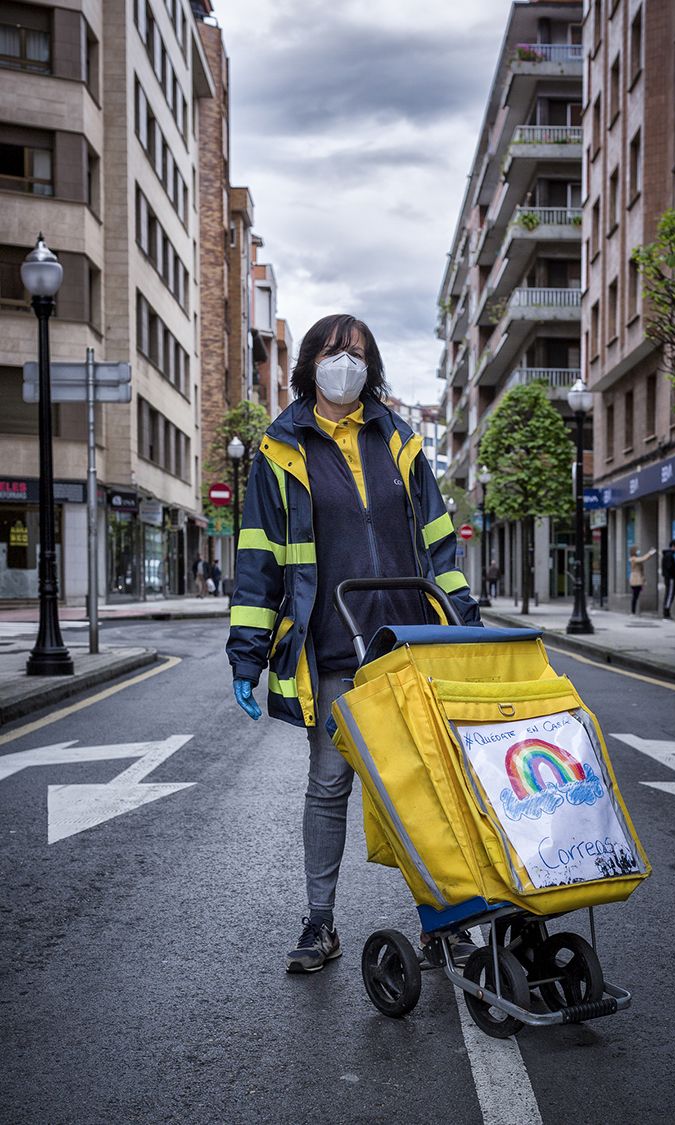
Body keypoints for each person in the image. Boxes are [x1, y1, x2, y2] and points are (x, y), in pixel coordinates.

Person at [226, 313, 483, 974]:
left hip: (406, 643)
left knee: (420, 785)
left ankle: (443, 921)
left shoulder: (400, 441)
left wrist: (464, 619)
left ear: (372, 368)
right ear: (310, 361)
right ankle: (320, 924)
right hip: (334, 644)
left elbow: (438, 542)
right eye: (334, 351)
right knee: (329, 784)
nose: (346, 362)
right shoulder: (280, 451)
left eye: (358, 353)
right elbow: (258, 558)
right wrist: (246, 652)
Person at [627, 544, 656, 615]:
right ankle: (633, 611)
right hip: (635, 579)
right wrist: (650, 553)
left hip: (638, 578)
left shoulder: (636, 558)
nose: (638, 551)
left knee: (636, 595)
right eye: (637, 550)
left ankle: (634, 611)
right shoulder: (633, 559)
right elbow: (643, 559)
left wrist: (643, 579)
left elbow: (642, 569)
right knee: (635, 595)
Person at [660, 539, 675, 618]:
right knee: (670, 594)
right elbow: (670, 567)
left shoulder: (668, 555)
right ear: (673, 546)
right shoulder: (670, 555)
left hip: (669, 577)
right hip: (670, 577)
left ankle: (666, 611)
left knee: (669, 594)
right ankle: (666, 612)